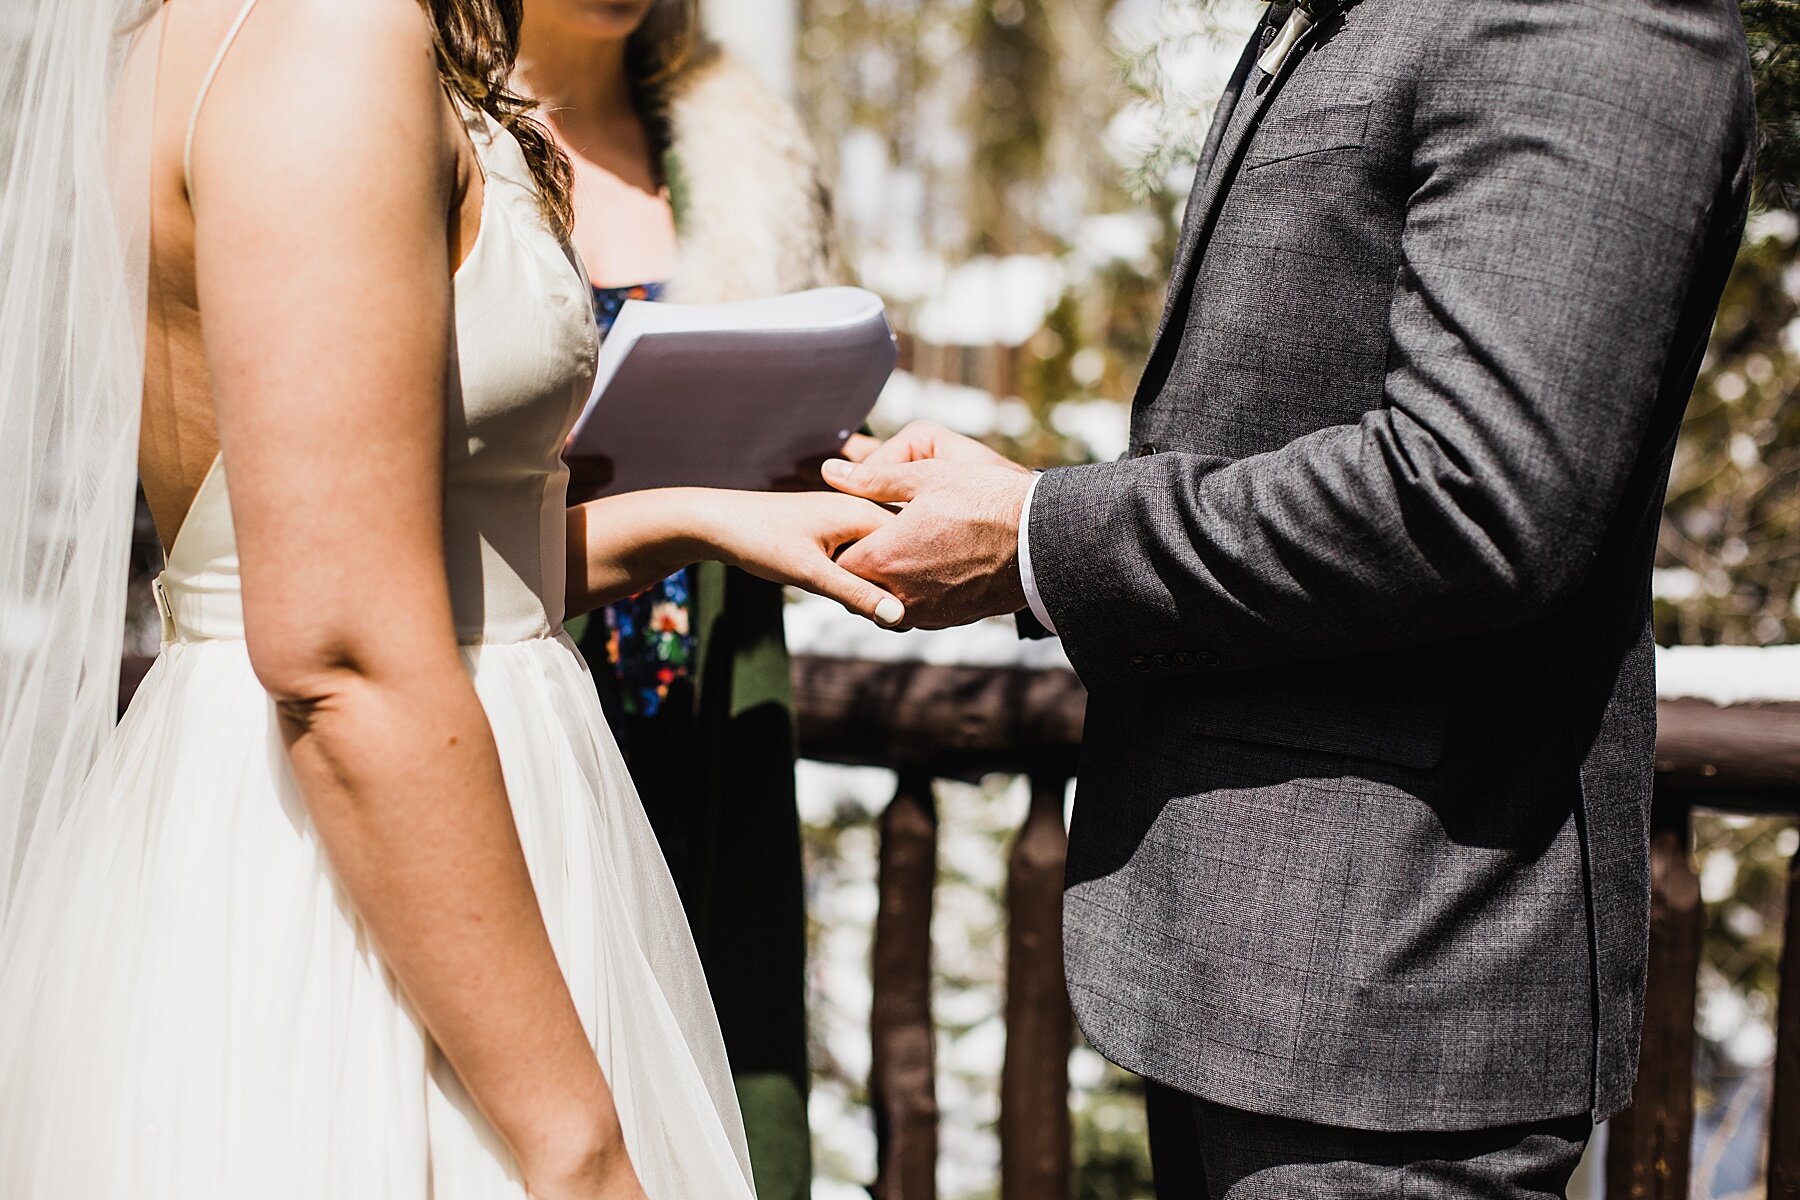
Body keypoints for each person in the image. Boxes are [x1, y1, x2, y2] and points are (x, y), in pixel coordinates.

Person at [823, 0, 1756, 1195]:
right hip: (1250, 979)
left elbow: (1473, 496)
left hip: (1401, 995)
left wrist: (1039, 535)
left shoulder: (1589, 12)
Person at [0, 0, 903, 1196]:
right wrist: (575, 1146)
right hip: (365, 864)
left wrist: (706, 518)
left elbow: (413, 555)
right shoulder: (324, 37)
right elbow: (342, 654)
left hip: (444, 800)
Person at [514, 5, 838, 1192]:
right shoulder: (423, 118)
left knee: (717, 1051)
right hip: (506, 692)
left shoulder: (740, 144)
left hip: (702, 689)